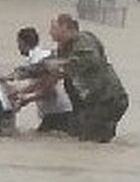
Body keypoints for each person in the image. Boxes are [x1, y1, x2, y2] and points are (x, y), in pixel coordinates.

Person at [46, 13, 129, 143]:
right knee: (81, 139)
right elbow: (47, 68)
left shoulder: (83, 40)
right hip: (91, 103)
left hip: (107, 100)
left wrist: (61, 65)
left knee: (91, 141)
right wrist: (18, 76)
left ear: (65, 27)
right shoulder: (64, 49)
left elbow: (89, 59)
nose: (50, 32)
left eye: (53, 28)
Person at [10, 26, 74, 133]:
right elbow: (39, 84)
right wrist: (21, 92)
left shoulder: (37, 61)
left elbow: (50, 91)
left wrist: (26, 98)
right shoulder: (43, 55)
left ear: (23, 43)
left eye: (18, 43)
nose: (18, 47)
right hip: (60, 111)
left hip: (58, 113)